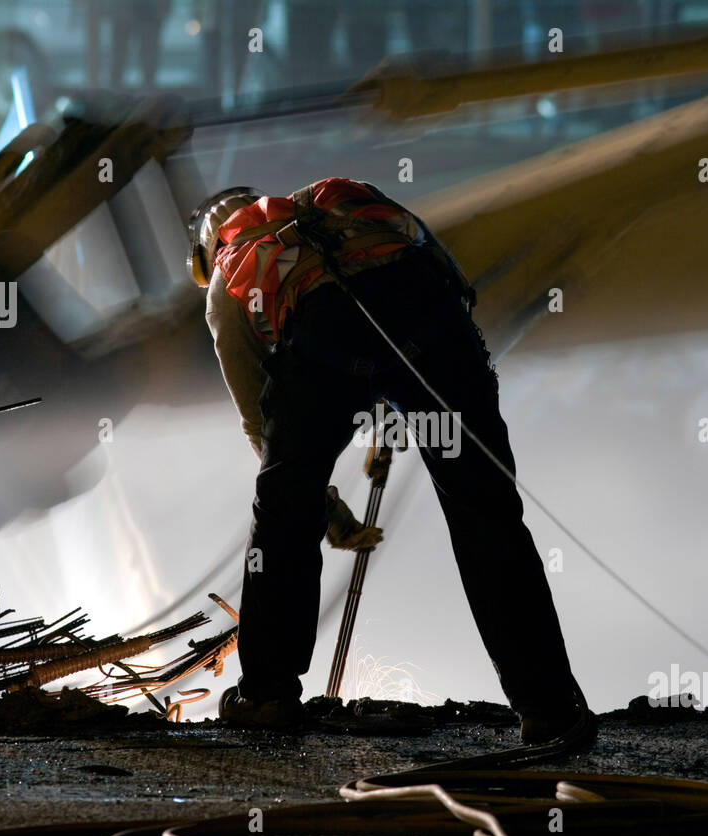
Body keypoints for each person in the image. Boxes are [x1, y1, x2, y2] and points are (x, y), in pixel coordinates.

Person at [189, 178, 594, 746]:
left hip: (322, 334)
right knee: (486, 512)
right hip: (433, 322)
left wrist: (324, 506)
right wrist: (419, 393)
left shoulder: (235, 259)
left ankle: (267, 695)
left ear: (204, 251)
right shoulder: (343, 201)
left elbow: (262, 425)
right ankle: (550, 708)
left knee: (282, 514)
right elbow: (444, 271)